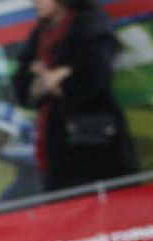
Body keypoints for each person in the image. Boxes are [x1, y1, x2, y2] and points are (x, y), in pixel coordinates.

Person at [12, 0, 137, 192]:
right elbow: (23, 86)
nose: (35, 2)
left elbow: (92, 78)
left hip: (94, 128)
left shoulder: (92, 24)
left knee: (104, 194)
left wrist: (49, 81)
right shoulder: (39, 34)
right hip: (56, 138)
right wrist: (55, 78)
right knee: (67, 198)